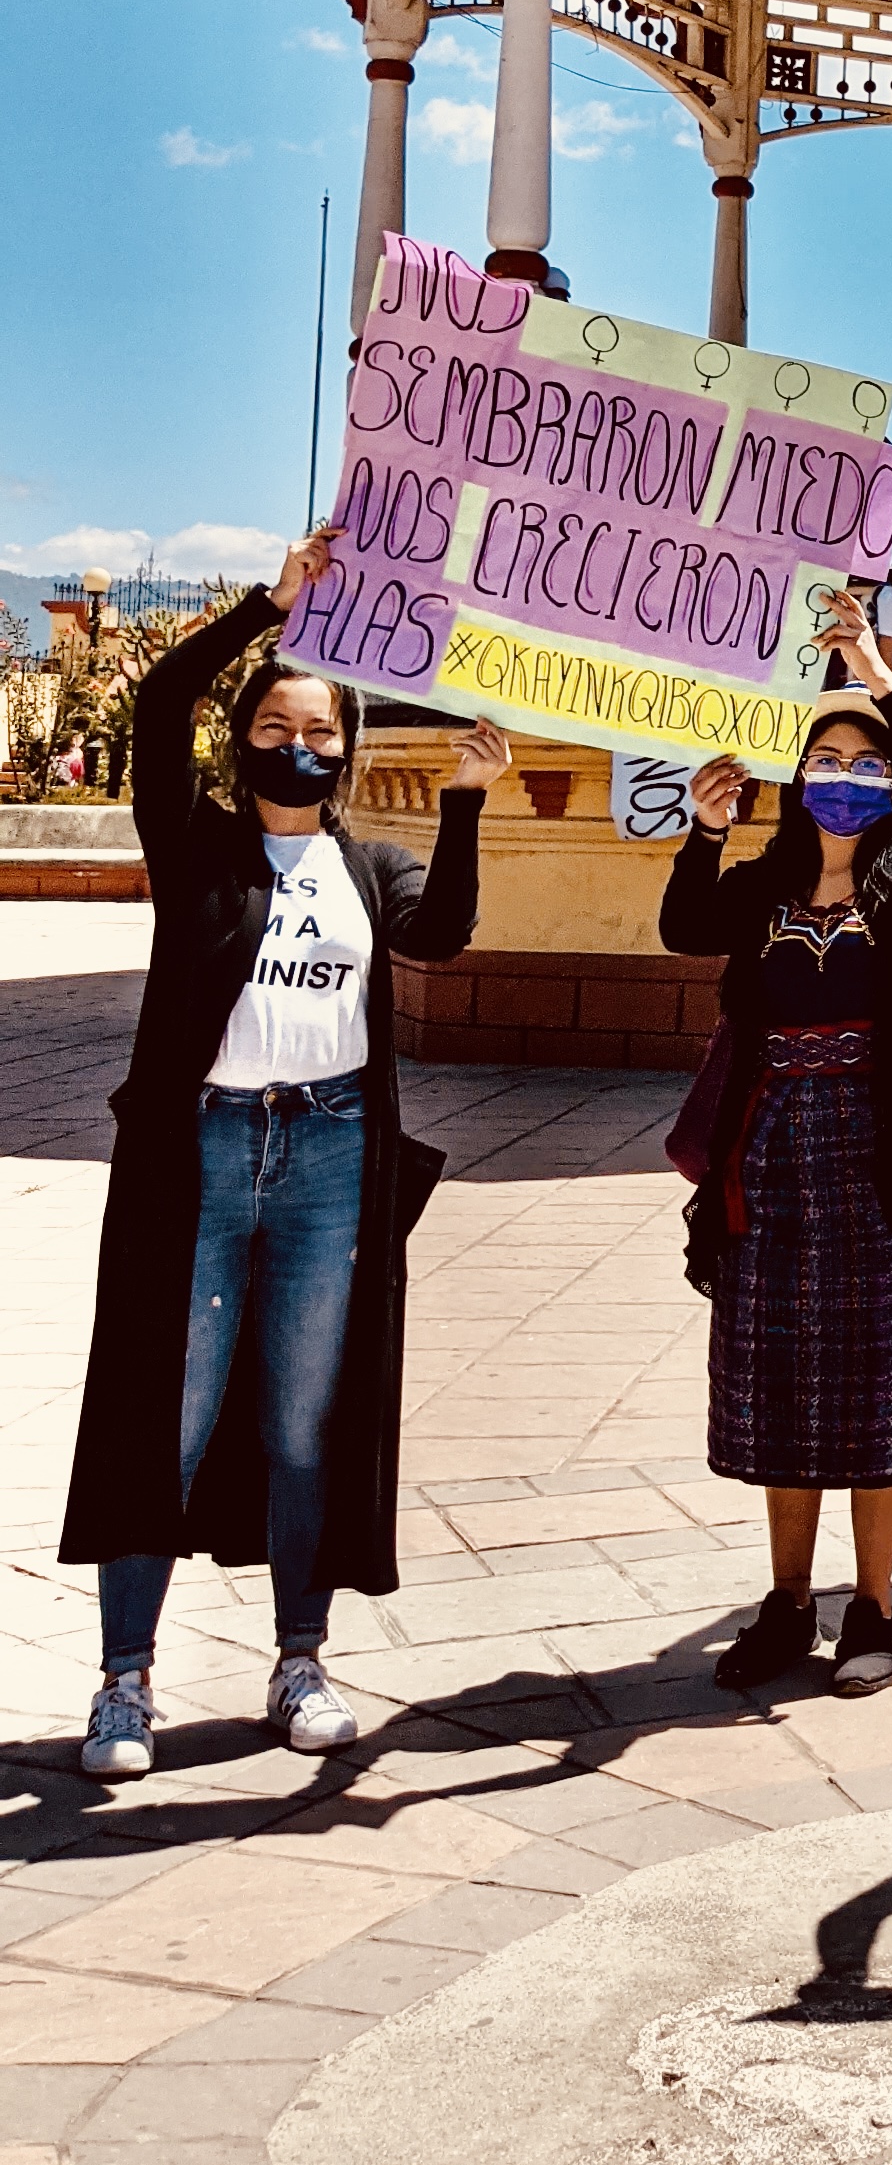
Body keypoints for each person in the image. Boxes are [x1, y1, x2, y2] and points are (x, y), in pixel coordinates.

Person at [62, 524, 509, 1782]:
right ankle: (125, 1682)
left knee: (308, 1421)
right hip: (201, 1153)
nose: (301, 747)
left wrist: (468, 799)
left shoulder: (368, 867)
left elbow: (447, 935)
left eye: (322, 733)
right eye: (277, 728)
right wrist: (272, 605)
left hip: (328, 1155)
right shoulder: (196, 847)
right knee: (172, 1411)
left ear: (348, 751)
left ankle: (299, 1657)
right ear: (243, 738)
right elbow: (157, 702)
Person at [665, 585, 892, 1703]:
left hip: (881, 1164)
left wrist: (876, 674)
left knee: (875, 1388)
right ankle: (788, 1599)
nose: (846, 778)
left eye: (868, 764)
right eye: (828, 761)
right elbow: (683, 927)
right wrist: (704, 832)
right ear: (800, 781)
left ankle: (876, 1605)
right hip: (769, 1163)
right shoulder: (762, 889)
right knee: (779, 1384)